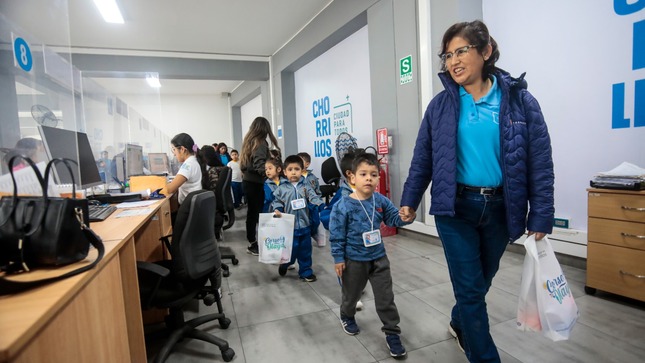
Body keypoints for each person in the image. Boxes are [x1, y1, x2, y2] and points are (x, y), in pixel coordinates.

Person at [399, 20, 554, 363]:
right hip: (455, 208)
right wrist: (409, 200)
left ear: (485, 52)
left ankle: (459, 322)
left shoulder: (520, 101)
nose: (453, 61)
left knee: (482, 280)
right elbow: (423, 157)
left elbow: (539, 162)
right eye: (448, 55)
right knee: (469, 290)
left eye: (461, 51)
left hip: (501, 208)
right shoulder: (440, 106)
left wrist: (541, 212)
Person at [329, 153, 413, 359]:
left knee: (386, 298)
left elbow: (393, 219)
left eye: (373, 175)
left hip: (379, 258)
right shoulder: (343, 205)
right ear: (352, 178)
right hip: (354, 260)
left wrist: (405, 217)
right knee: (352, 295)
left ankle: (392, 332)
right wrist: (338, 258)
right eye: (363, 174)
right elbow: (336, 235)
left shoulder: (381, 200)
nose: (369, 178)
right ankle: (346, 315)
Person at [271, 155, 323, 282]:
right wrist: (277, 209)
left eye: (297, 169)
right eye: (290, 169)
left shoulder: (306, 187)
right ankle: (285, 263)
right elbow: (277, 201)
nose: (293, 172)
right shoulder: (282, 188)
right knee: (291, 249)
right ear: (284, 172)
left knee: (305, 250)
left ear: (302, 170)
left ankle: (306, 271)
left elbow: (314, 197)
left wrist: (320, 204)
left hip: (305, 225)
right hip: (290, 227)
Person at [240, 116, 281, 255]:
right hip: (255, 183)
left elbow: (248, 165)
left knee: (252, 213)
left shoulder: (248, 142)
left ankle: (252, 241)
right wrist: (272, 175)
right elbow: (259, 165)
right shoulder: (260, 143)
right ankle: (254, 243)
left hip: (248, 182)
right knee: (256, 213)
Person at [162, 133, 205, 206]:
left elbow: (170, 189)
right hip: (193, 206)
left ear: (182, 149)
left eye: (174, 149)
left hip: (188, 209)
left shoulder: (188, 165)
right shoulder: (193, 161)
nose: (174, 154)